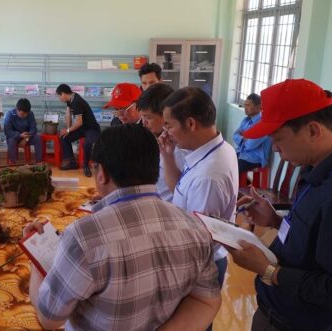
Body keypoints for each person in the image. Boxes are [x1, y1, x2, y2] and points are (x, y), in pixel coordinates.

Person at [24, 124, 221, 331]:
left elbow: (50, 319)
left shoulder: (83, 237)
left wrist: (34, 259)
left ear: (102, 174)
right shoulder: (194, 227)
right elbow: (206, 300)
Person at [230, 79, 332, 331]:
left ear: (313, 131)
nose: (274, 148)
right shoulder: (315, 167)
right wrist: (275, 220)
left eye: (278, 138)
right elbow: (318, 243)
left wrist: (269, 271)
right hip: (273, 311)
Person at [162, 87, 238, 298]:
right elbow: (179, 189)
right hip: (200, 261)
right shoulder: (215, 149)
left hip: (200, 267)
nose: (165, 132)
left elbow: (198, 241)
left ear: (191, 123)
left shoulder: (208, 176)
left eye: (168, 125)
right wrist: (168, 156)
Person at [136, 83, 185, 202]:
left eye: (148, 117)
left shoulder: (179, 149)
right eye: (142, 117)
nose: (143, 122)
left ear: (165, 115)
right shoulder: (160, 139)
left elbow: (180, 193)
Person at [56, 84, 100, 177]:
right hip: (83, 128)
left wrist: (68, 130)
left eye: (59, 96)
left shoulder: (77, 101)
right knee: (64, 137)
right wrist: (68, 130)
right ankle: (71, 162)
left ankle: (85, 165)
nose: (59, 99)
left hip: (92, 128)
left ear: (63, 94)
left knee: (87, 144)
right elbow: (68, 113)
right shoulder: (71, 98)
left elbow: (79, 122)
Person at [233, 93, 272, 174]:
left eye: (248, 105)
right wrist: (244, 138)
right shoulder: (246, 120)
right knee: (223, 159)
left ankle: (236, 186)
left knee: (233, 169)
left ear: (258, 107)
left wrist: (242, 138)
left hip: (255, 158)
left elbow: (250, 145)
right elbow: (234, 136)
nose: (245, 108)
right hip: (242, 153)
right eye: (245, 105)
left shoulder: (263, 124)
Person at [3, 98, 42, 164]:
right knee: (12, 140)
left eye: (26, 114)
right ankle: (12, 162)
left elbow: (34, 129)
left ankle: (39, 161)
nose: (24, 116)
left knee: (38, 138)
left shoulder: (30, 114)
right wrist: (19, 135)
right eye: (22, 114)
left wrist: (26, 138)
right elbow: (7, 131)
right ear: (17, 109)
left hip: (27, 137)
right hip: (14, 137)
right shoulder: (9, 114)